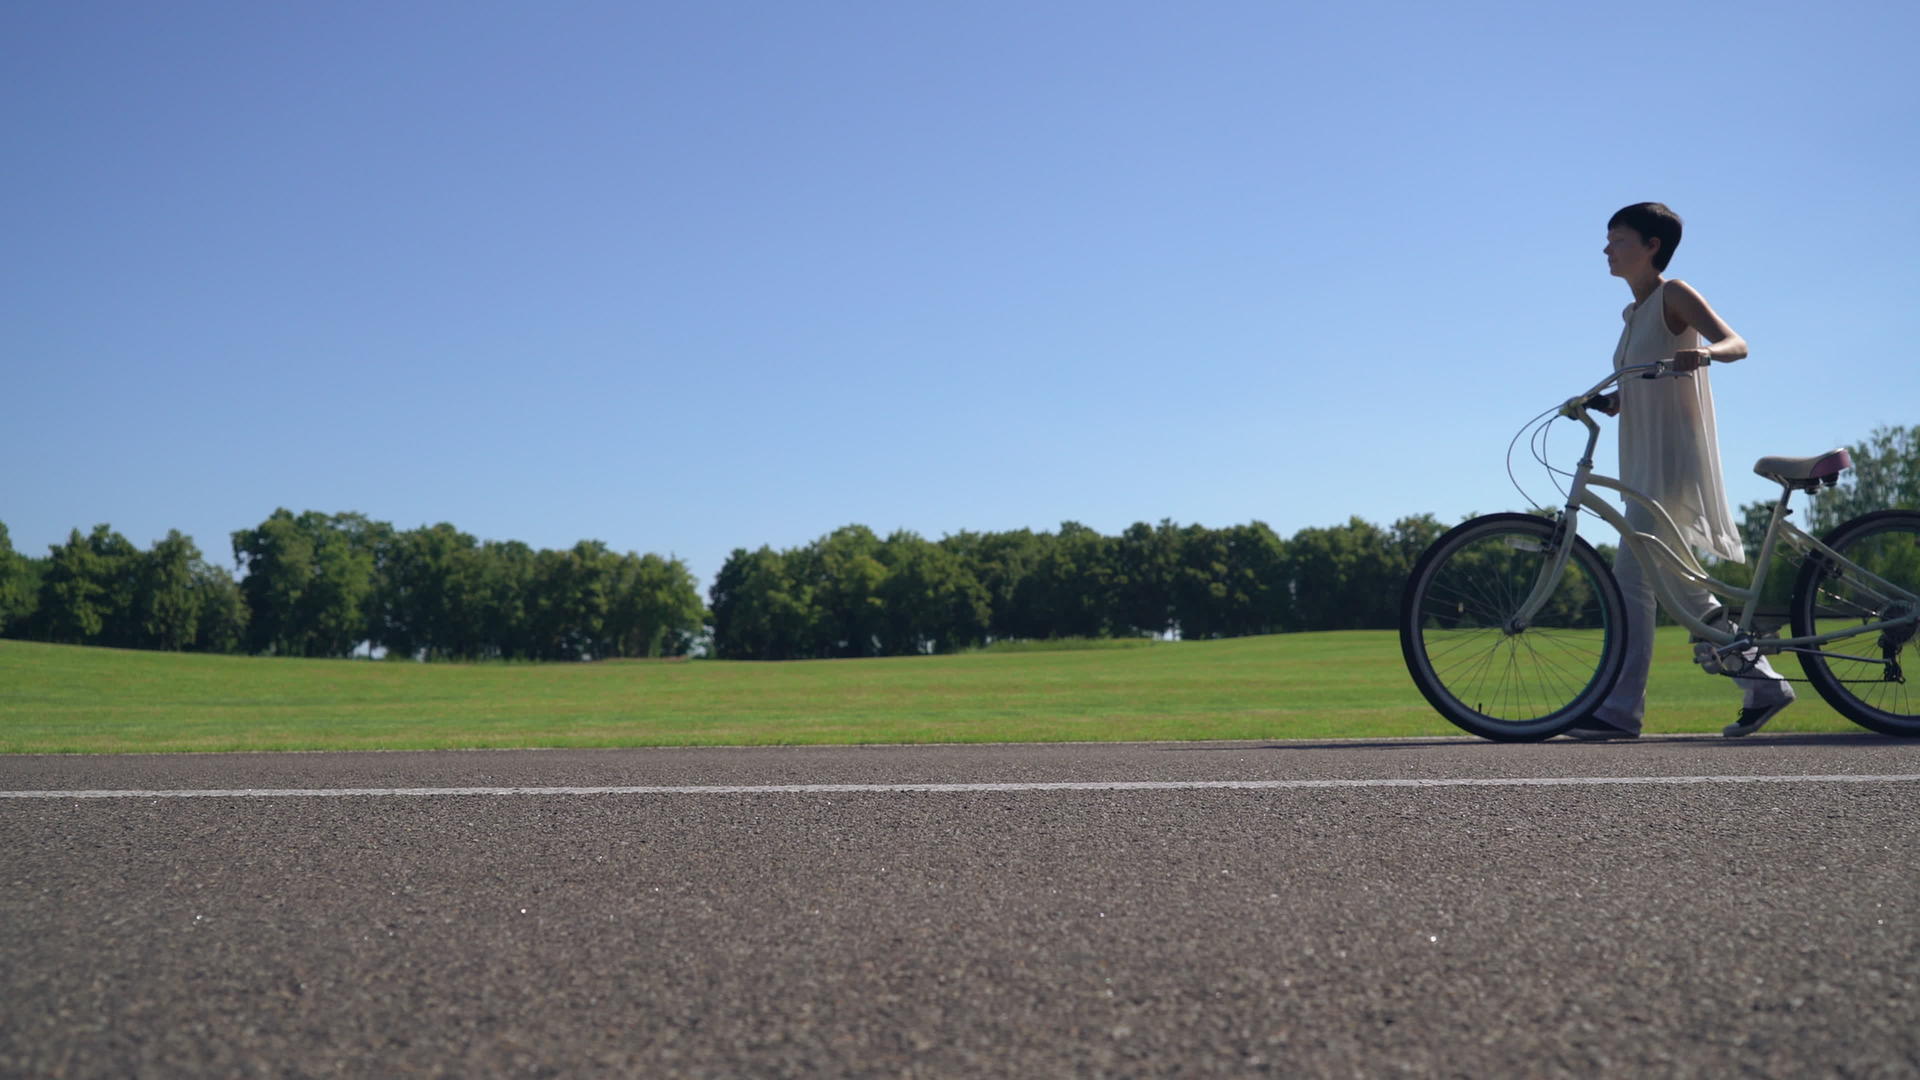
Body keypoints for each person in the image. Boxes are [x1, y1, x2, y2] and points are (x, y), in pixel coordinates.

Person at [1564, 202, 1796, 740]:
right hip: (1642, 460)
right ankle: (1760, 682)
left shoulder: (1674, 294)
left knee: (1634, 584)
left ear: (1651, 246)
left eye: (1617, 239)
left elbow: (1736, 343)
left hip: (1670, 459)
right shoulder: (1631, 315)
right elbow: (1648, 377)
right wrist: (1613, 400)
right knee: (1670, 585)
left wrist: (1706, 355)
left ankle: (1621, 711)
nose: (1606, 249)